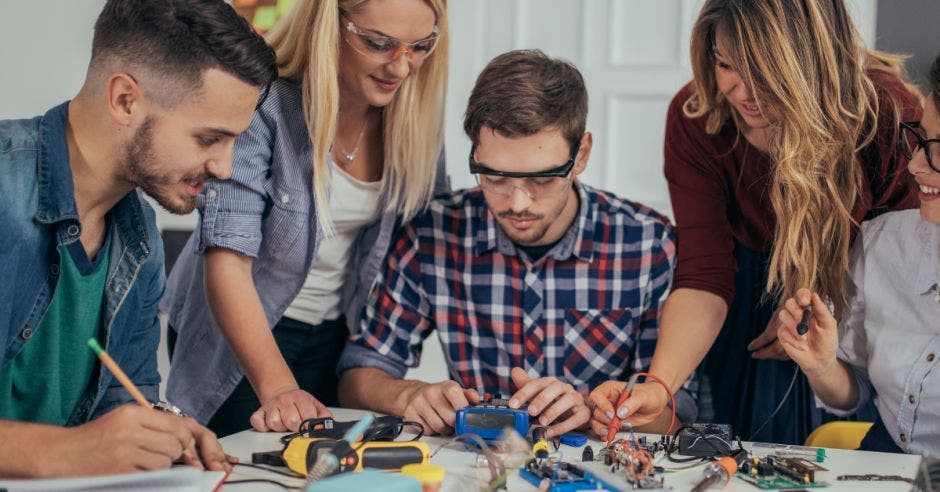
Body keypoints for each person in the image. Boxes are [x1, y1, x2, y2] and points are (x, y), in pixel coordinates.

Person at [607, 0, 922, 444]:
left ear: (812, 58)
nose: (742, 92)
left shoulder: (886, 112)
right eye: (726, 64)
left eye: (766, 69)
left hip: (863, 296)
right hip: (745, 285)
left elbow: (907, 269)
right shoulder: (697, 116)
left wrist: (821, 306)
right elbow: (704, 273)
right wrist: (659, 387)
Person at [337, 50, 697, 438]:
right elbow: (358, 372)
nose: (518, 202)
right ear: (475, 153)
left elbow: (679, 410)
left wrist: (595, 410)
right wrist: (408, 395)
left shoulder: (647, 244)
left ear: (581, 155)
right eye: (494, 177)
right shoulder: (433, 232)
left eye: (542, 180)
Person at [0, 0, 276, 477]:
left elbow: (122, 399)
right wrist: (65, 452)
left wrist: (160, 430)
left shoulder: (138, 235)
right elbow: (81, 449)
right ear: (125, 99)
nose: (225, 168)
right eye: (209, 139)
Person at [162, 0, 449, 437]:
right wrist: (278, 388)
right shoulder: (263, 103)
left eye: (419, 47)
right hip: (244, 331)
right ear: (328, 25)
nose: (401, 68)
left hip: (336, 333)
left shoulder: (414, 119)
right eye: (378, 44)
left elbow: (437, 240)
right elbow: (227, 263)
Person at [778, 54, 940, 455]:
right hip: (881, 464)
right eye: (919, 139)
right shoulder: (880, 243)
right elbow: (852, 395)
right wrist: (820, 364)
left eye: (937, 150)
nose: (915, 164)